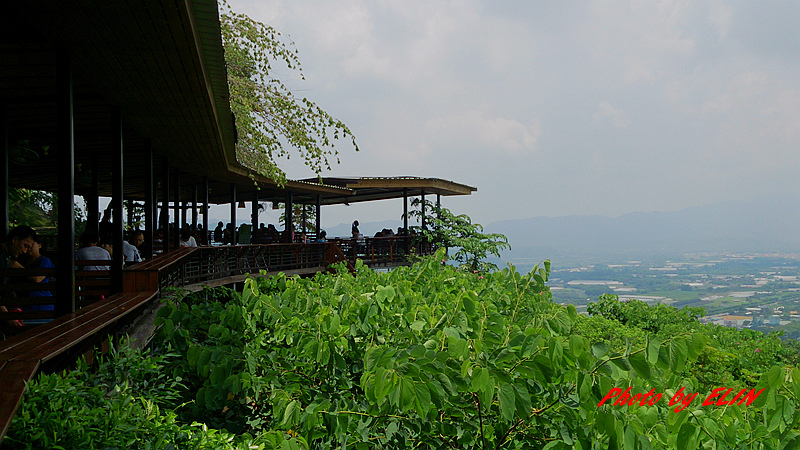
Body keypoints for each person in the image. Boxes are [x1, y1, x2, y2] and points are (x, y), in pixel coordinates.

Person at [17, 237, 54, 315]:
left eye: (32, 244)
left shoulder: (44, 261)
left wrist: (19, 268)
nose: (29, 247)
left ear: (39, 245)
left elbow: (38, 278)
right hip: (26, 304)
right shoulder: (24, 261)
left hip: (41, 304)